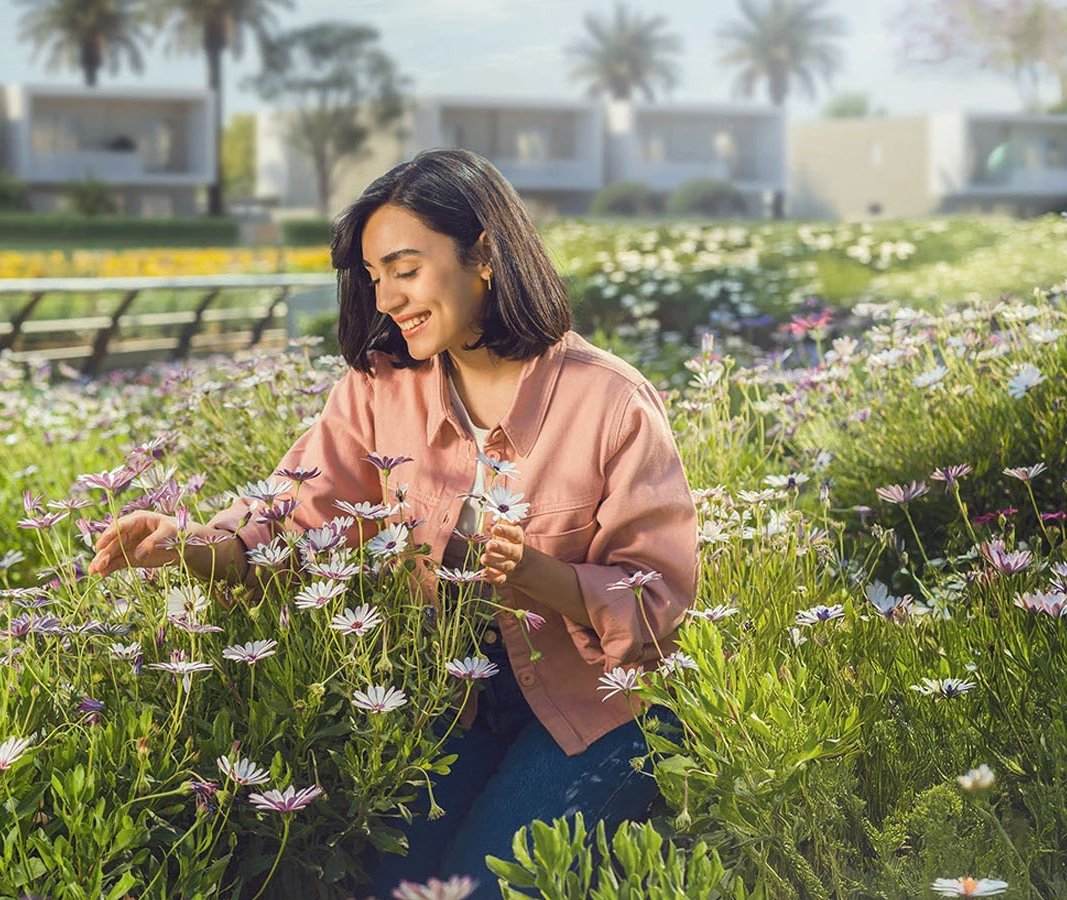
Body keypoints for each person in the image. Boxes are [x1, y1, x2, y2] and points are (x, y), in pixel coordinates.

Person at [83, 147, 700, 893]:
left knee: (483, 885)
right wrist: (187, 545)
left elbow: (660, 605)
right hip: (453, 696)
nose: (387, 299)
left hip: (600, 704)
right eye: (375, 277)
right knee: (387, 885)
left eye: (406, 269)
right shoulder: (380, 387)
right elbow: (292, 518)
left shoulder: (612, 403)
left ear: (484, 255)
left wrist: (538, 575)